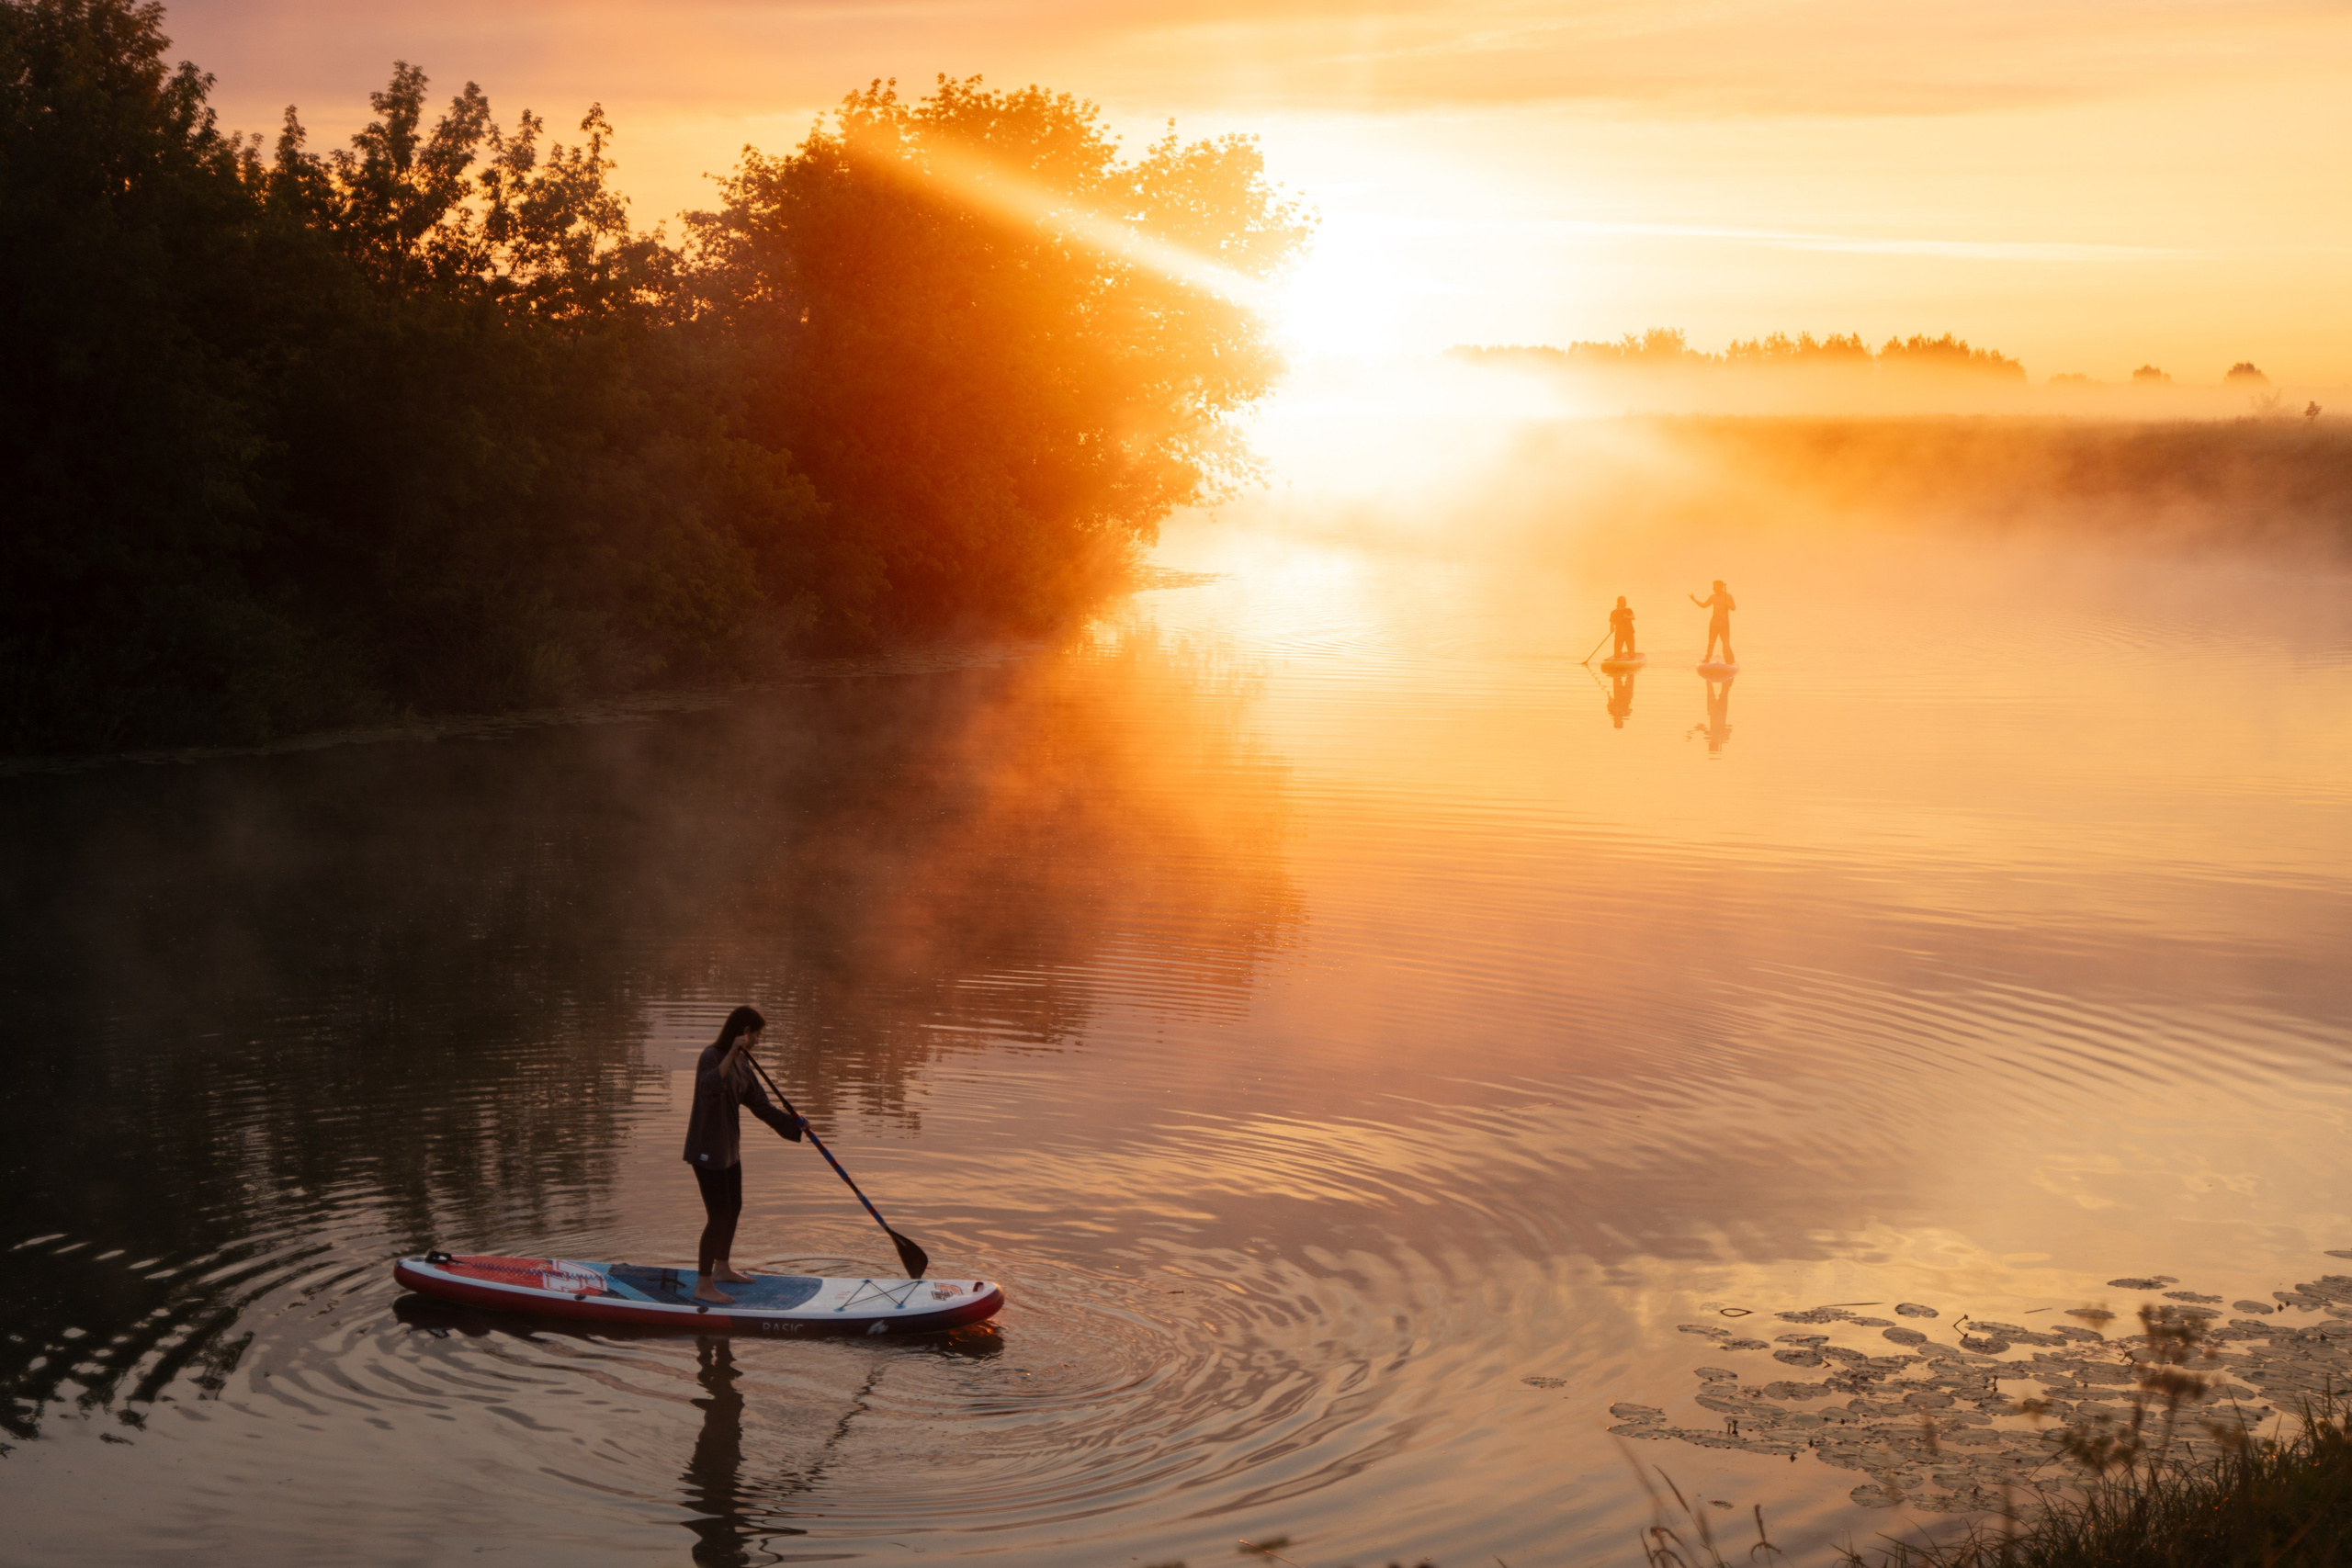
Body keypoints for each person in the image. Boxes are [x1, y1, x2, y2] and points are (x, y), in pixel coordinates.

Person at [683, 1005, 803, 1304]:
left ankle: (722, 1269)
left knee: (733, 1208)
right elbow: (709, 1087)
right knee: (718, 1216)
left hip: (729, 1151)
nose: (758, 1041)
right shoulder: (712, 1056)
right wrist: (731, 1053)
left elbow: (761, 1105)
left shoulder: (743, 1065)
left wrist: (794, 1124)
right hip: (706, 1151)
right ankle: (703, 1285)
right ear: (745, 1032)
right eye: (757, 1035)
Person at [1690, 581, 1736, 664]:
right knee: (1711, 641)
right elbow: (1704, 605)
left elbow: (1734, 608)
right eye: (1713, 587)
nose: (1714, 588)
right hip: (1714, 622)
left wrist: (1727, 604)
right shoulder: (1712, 597)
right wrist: (1694, 599)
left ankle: (1729, 660)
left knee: (1725, 642)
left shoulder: (1728, 596)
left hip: (1724, 622)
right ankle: (1707, 658)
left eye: (1716, 587)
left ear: (1721, 587)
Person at [1608, 596, 1637, 660]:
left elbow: (1633, 617)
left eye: (1625, 601)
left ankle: (1630, 654)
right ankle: (1620, 654)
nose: (1625, 602)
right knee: (1617, 656)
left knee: (1631, 655)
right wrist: (1611, 629)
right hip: (1619, 634)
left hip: (1629, 633)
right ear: (1619, 602)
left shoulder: (1628, 610)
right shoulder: (1614, 612)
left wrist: (1627, 617)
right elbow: (1612, 623)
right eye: (1624, 601)